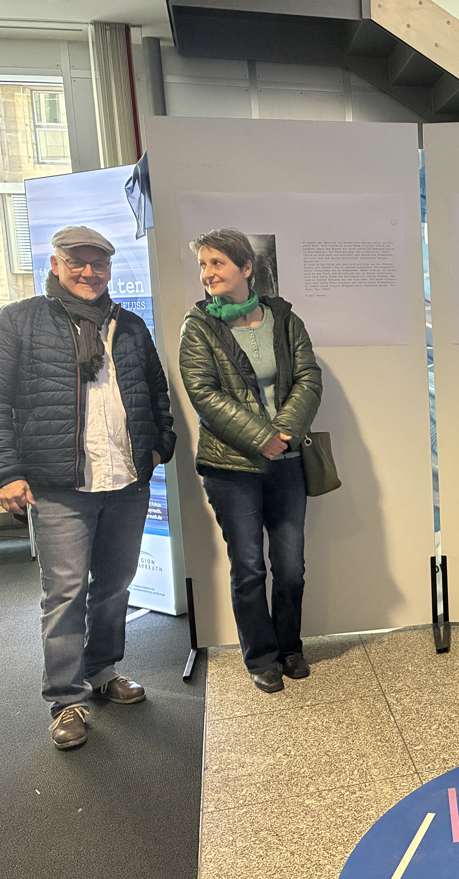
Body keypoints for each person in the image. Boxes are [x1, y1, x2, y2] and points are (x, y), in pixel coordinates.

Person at [0, 226, 175, 750]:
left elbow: (156, 391)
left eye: (98, 263)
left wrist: (160, 446)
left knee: (115, 585)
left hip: (125, 479)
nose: (89, 272)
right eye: (76, 262)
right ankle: (66, 700)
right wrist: (5, 473)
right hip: (58, 484)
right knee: (64, 593)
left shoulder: (129, 325)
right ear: (55, 265)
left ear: (109, 269)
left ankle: (103, 671)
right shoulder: (18, 321)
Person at [178, 228, 323, 694]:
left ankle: (290, 647)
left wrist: (284, 433)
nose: (208, 273)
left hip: (287, 462)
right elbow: (204, 394)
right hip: (230, 468)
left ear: (246, 268)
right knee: (248, 567)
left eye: (217, 263)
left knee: (291, 565)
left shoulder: (284, 319)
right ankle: (260, 656)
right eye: (203, 265)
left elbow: (308, 377)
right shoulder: (198, 326)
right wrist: (261, 438)